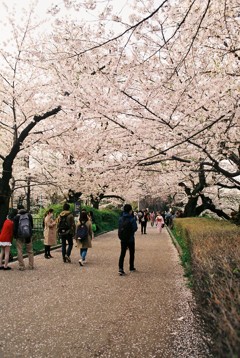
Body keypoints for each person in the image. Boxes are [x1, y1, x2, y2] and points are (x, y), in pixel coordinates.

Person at [118, 204, 138, 276]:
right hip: (130, 239)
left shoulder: (120, 218)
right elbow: (135, 228)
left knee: (122, 253)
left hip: (123, 238)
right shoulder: (132, 219)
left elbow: (119, 227)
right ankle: (131, 267)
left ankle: (120, 268)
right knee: (131, 253)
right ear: (130, 211)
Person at [14, 205, 34, 271]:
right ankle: (31, 266)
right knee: (30, 251)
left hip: (19, 236)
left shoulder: (16, 217)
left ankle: (22, 266)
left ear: (18, 209)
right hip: (28, 235)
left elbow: (15, 228)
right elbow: (32, 225)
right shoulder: (29, 215)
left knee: (20, 250)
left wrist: (15, 236)